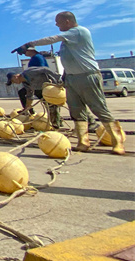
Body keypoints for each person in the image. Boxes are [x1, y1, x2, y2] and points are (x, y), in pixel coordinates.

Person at [12, 11, 124, 154]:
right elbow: (69, 60)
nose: (56, 24)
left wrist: (29, 44)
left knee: (99, 109)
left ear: (67, 21)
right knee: (76, 111)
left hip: (87, 76)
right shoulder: (67, 42)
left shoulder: (79, 32)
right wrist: (64, 78)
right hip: (71, 78)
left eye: (58, 21)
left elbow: (53, 38)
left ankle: (117, 141)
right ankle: (83, 142)